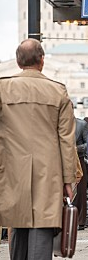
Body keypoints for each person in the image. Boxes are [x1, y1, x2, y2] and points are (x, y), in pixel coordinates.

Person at [0, 39, 77, 259]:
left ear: (18, 61)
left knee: (17, 223)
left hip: (12, 170)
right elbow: (66, 141)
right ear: (42, 60)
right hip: (48, 171)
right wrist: (68, 180)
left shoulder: (3, 88)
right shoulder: (57, 91)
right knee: (42, 225)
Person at [74, 117, 88, 231]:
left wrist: (75, 148)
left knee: (80, 191)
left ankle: (80, 221)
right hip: (59, 160)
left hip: (77, 160)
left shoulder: (81, 124)